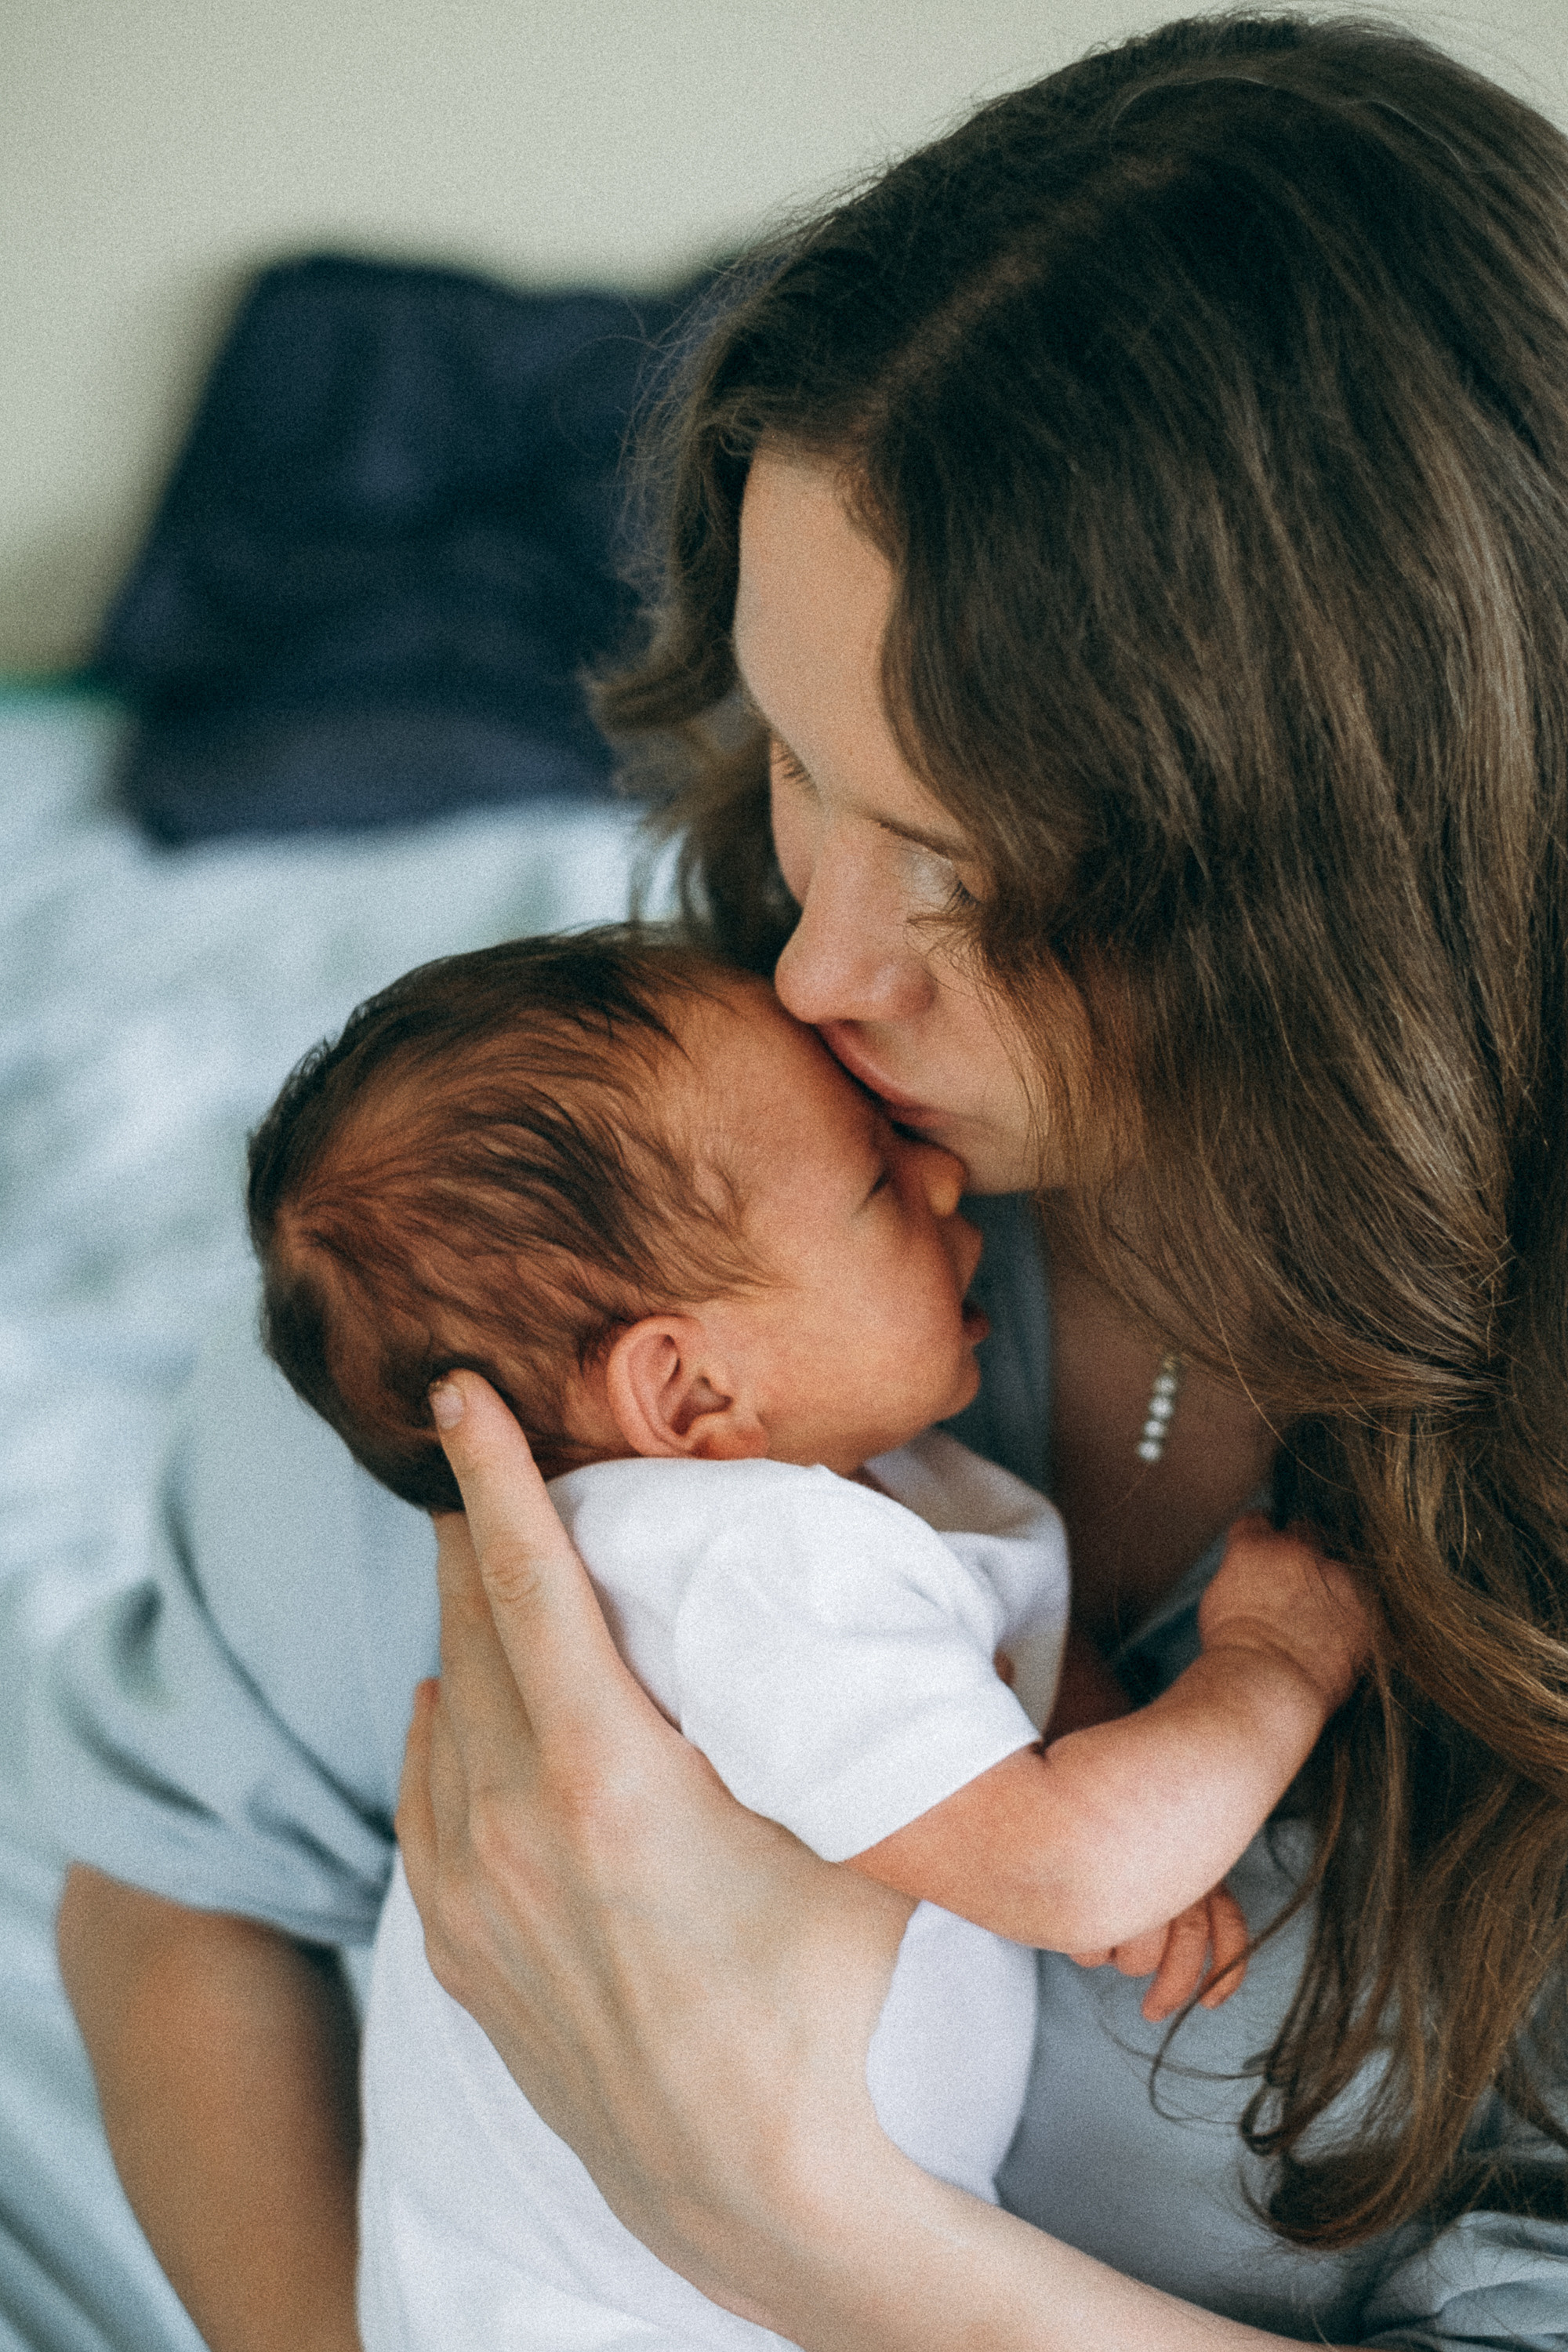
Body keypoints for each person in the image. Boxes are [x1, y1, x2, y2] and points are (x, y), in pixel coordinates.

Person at [44, 12, 1568, 2349]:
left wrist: (789, 2224)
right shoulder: (599, 1200)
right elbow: (184, 1884)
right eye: (799, 766)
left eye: (964, 871)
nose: (821, 970)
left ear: (1351, 903)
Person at [244, 924, 1363, 2347]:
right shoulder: (746, 1565)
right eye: (875, 1188)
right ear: (691, 1392)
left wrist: (1112, 1774)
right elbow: (1064, 1866)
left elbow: (990, 1670)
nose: (943, 1174)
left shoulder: (806, 1508)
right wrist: (1268, 1670)